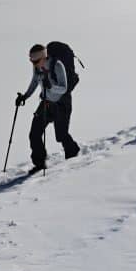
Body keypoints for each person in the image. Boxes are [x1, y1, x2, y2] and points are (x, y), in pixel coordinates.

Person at [16, 43, 80, 174]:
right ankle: (39, 164)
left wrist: (51, 86)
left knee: (61, 135)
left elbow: (64, 88)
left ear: (44, 57)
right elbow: (34, 82)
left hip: (62, 104)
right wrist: (25, 97)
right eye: (31, 61)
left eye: (36, 60)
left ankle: (73, 154)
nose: (33, 64)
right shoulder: (37, 68)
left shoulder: (57, 66)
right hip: (46, 103)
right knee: (34, 134)